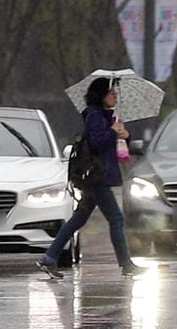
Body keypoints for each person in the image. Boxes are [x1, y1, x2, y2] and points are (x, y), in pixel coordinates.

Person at [38, 78, 140, 278]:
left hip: (99, 174)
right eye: (112, 93)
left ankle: (50, 257)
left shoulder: (106, 116)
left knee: (78, 218)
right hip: (97, 175)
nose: (115, 96)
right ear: (101, 95)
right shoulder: (94, 115)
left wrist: (124, 134)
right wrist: (112, 131)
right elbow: (96, 142)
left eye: (115, 94)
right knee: (116, 218)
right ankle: (126, 264)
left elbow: (112, 143)